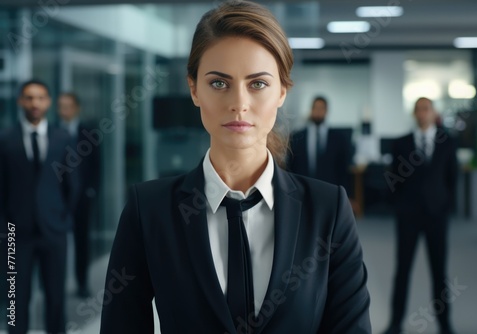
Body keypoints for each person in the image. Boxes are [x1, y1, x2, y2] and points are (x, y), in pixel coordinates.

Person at [100, 1, 371, 333]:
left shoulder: (328, 210)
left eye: (258, 84)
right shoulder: (150, 211)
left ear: (282, 91)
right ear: (193, 89)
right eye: (218, 83)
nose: (239, 104)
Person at [0, 80, 79, 334]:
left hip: (54, 230)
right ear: (20, 101)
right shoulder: (5, 139)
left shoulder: (63, 138)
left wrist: (63, 218)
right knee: (15, 298)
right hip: (15, 233)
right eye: (29, 98)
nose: (35, 103)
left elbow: (73, 185)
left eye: (41, 98)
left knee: (56, 296)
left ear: (48, 102)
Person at [383, 97, 458, 334]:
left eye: (426, 109)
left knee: (439, 271)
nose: (422, 113)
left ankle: (445, 325)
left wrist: (445, 206)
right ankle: (395, 323)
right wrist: (401, 205)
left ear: (432, 112)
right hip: (408, 216)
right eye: (418, 109)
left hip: (437, 216)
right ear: (414, 114)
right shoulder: (401, 143)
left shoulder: (447, 142)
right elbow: (393, 178)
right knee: (402, 269)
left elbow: (452, 178)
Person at [57, 92, 100, 298]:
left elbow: (97, 167)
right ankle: (55, 283)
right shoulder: (52, 132)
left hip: (82, 197)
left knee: (82, 241)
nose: (63, 110)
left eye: (67, 106)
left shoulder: (88, 133)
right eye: (61, 106)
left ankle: (82, 283)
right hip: (56, 199)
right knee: (55, 241)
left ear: (76, 108)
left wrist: (92, 192)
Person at [287, 96, 354, 196]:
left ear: (326, 111)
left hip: (330, 190)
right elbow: (291, 167)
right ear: (311, 109)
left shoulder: (339, 138)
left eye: (321, 108)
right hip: (303, 190)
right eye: (316, 108)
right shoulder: (297, 137)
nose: (318, 111)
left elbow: (343, 170)